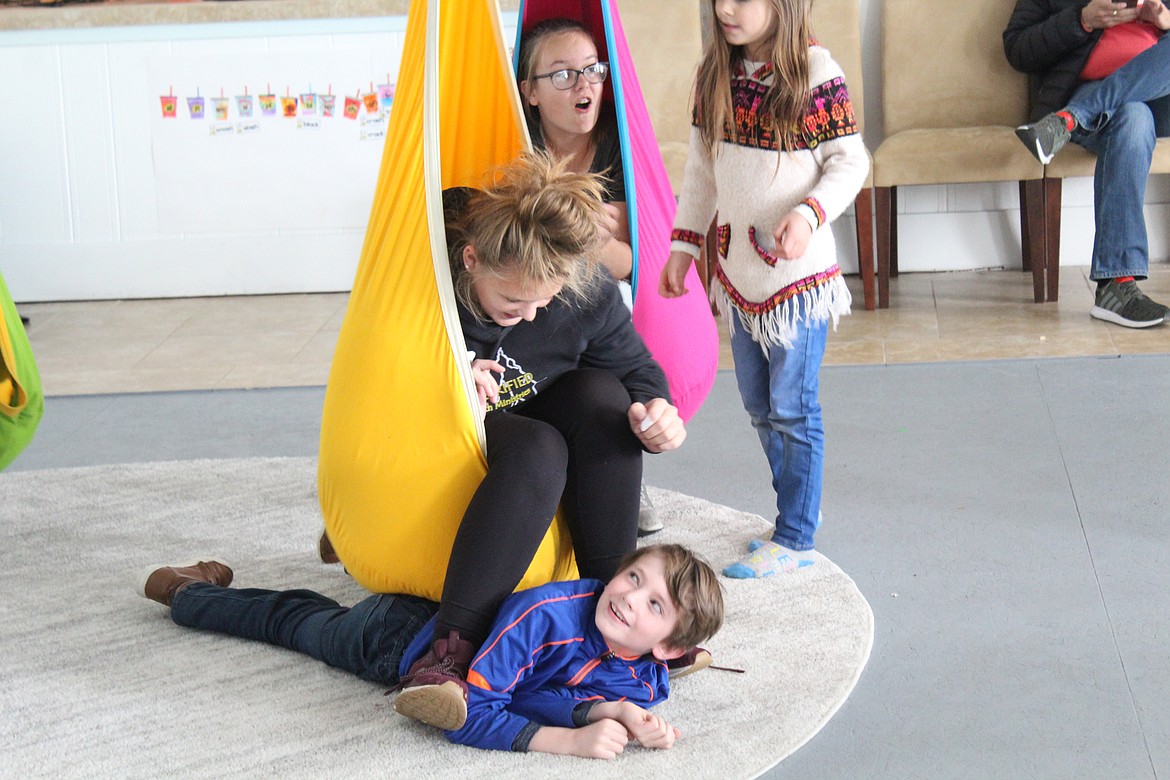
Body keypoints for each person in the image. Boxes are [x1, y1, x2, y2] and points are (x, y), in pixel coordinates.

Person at [328, 151, 686, 727]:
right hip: (439, 430)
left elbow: (637, 369)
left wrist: (658, 410)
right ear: (471, 262)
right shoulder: (428, 272)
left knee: (604, 400)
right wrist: (444, 372)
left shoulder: (579, 288)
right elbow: (374, 356)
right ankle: (450, 652)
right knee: (541, 448)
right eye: (513, 302)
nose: (529, 315)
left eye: (544, 302)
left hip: (522, 413)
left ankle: (607, 616)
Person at [137, 543, 725, 758]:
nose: (629, 598)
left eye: (654, 606)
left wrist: (613, 712)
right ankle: (187, 594)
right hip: (396, 640)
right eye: (634, 579)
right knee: (297, 621)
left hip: (446, 616)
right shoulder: (547, 615)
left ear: (667, 645)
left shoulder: (645, 672)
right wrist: (568, 739)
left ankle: (347, 544)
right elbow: (468, 714)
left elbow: (542, 692)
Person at [659, 0, 868, 578]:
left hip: (798, 282)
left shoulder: (815, 74)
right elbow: (703, 172)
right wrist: (683, 247)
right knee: (757, 406)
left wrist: (808, 214)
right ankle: (800, 505)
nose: (725, 8)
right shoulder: (716, 76)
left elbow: (850, 163)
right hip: (740, 274)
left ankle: (796, 535)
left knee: (792, 407)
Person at [517, 17, 663, 535]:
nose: (584, 85)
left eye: (592, 70)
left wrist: (590, 244)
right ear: (529, 92)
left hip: (600, 299)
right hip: (530, 289)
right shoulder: (514, 140)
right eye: (562, 75)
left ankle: (616, 465)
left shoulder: (616, 145)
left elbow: (630, 264)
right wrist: (593, 238)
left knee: (609, 305)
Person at [1006, 0, 1170, 328]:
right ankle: (1116, 288)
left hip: (1157, 95)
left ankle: (1066, 121)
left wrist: (1165, 20)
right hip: (1094, 95)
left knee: (1139, 110)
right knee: (1134, 119)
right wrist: (1081, 21)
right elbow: (1018, 49)